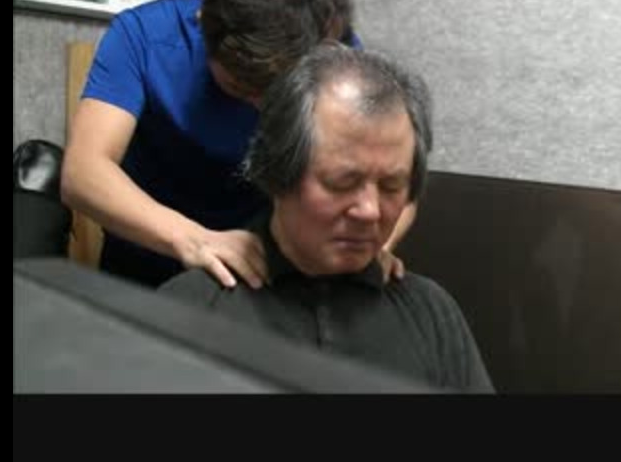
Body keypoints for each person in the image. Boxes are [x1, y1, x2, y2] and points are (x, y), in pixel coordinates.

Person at [158, 44, 494, 393]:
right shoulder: (191, 308)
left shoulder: (431, 316)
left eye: (392, 186)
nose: (370, 211)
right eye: (341, 182)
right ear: (277, 174)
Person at [61, 0, 416, 289]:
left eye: (277, 90)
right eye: (240, 87)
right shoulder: (144, 36)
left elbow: (399, 174)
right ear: (204, 26)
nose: (262, 108)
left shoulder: (334, 52)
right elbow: (83, 173)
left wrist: (369, 247)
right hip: (144, 260)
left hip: (266, 276)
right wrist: (193, 240)